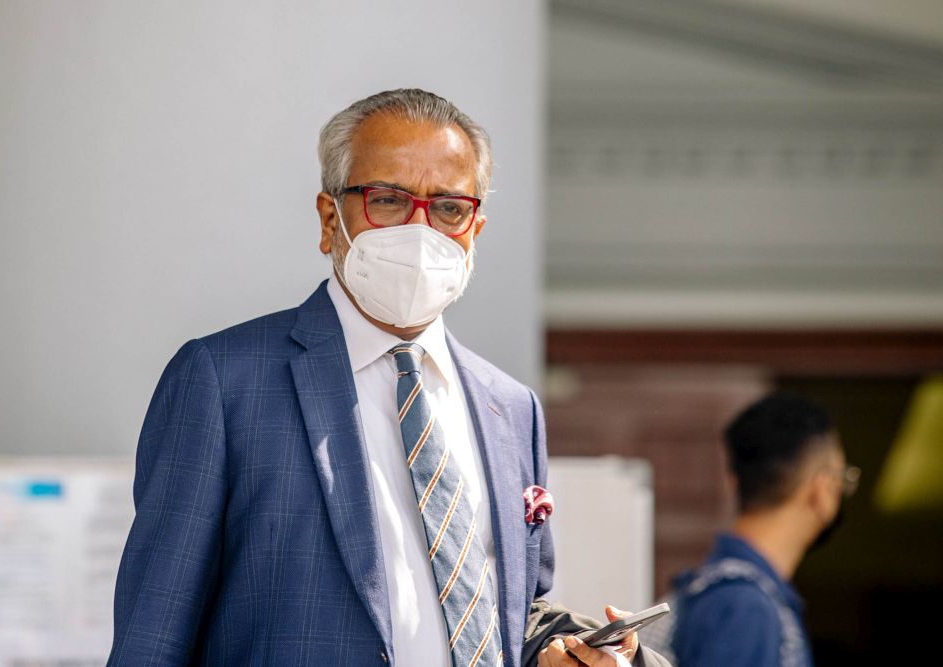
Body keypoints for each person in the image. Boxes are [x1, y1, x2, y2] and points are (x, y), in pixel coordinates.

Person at [108, 88, 668, 667]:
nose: (420, 229)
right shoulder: (225, 381)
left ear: (474, 229)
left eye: (449, 207)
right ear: (331, 220)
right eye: (389, 200)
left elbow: (498, 609)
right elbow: (155, 632)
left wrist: (559, 652)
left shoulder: (510, 407)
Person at [640, 393, 860, 667]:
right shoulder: (746, 607)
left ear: (734, 483)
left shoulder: (720, 590)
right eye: (844, 477)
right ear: (822, 488)